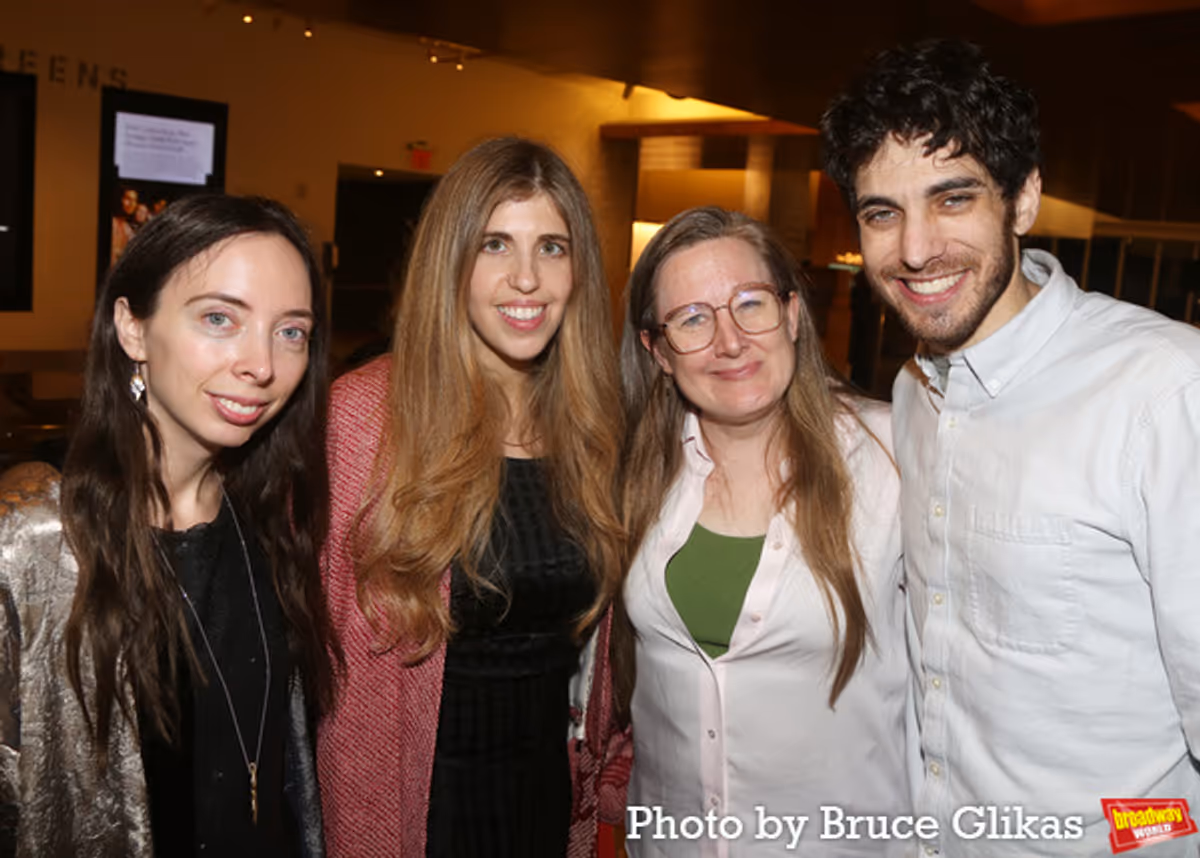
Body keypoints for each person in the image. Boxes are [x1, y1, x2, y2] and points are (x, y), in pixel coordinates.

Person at [822, 39, 1200, 856]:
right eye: (882, 213)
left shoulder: (1164, 390)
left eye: (951, 199)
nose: (915, 249)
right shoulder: (915, 395)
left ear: (1024, 199)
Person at [317, 137, 628, 857]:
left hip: (547, 803)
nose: (527, 278)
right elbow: (320, 671)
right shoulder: (366, 418)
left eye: (552, 247)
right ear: (450, 261)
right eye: (495, 244)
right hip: (415, 809)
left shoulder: (595, 427)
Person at [0, 194, 337, 857]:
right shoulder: (35, 547)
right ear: (131, 327)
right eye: (220, 318)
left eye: (291, 330)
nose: (262, 365)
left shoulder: (273, 525)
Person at [619, 206, 908, 856]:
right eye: (692, 319)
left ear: (794, 314)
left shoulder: (896, 455)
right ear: (657, 352)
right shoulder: (632, 474)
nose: (729, 341)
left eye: (750, 304)